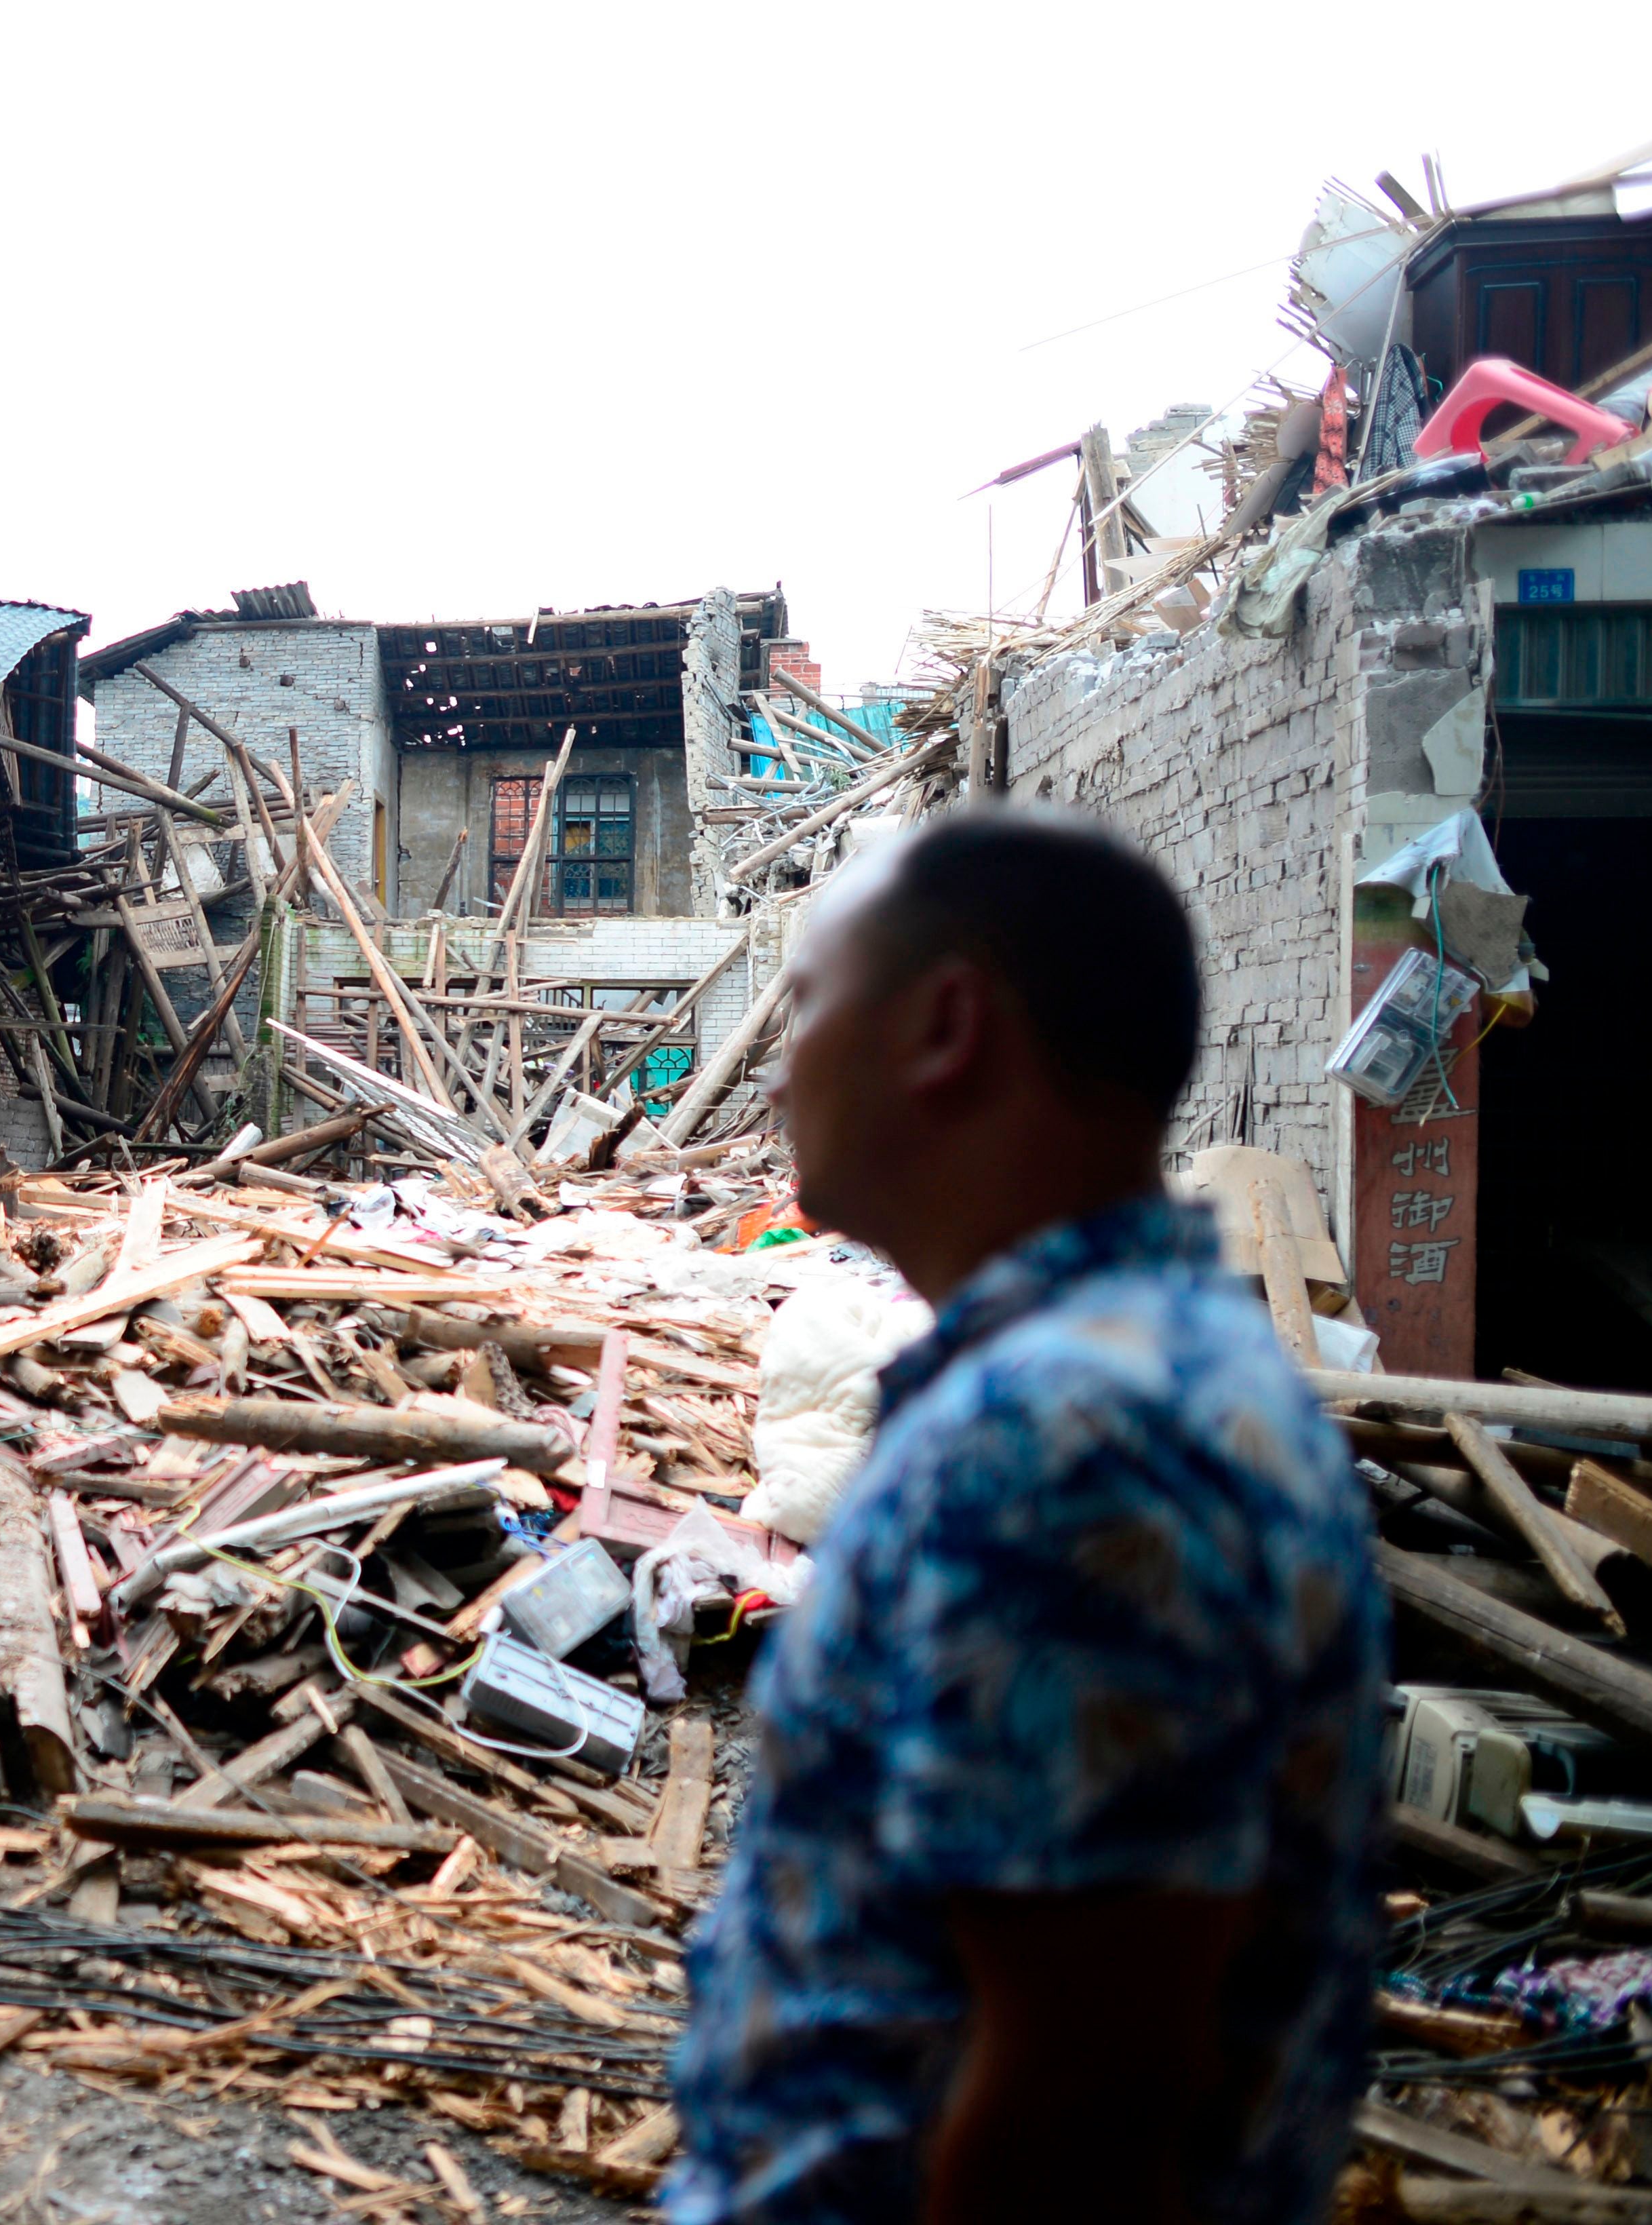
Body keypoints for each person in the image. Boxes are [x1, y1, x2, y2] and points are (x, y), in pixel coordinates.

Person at [665, 809, 1385, 2225]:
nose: (770, 1062)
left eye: (805, 998)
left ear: (943, 1024)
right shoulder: (1142, 1373)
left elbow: (1084, 2094)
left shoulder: (1069, 1444)